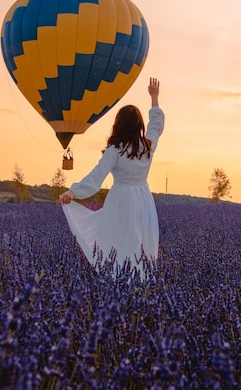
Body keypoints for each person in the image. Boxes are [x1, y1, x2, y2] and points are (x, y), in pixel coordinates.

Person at [58, 77, 164, 279]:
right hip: (144, 200)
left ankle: (118, 285)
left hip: (122, 199)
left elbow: (96, 177)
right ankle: (140, 287)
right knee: (142, 243)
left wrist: (73, 192)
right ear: (139, 125)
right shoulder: (148, 146)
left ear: (119, 124)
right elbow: (156, 125)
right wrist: (154, 97)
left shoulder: (115, 150)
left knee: (118, 242)